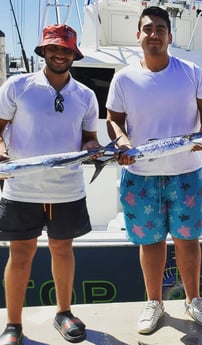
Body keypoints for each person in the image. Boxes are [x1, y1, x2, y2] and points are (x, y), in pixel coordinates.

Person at [105, 6, 202, 334]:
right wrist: (122, 141)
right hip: (140, 174)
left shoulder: (191, 71)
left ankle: (193, 299)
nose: (154, 34)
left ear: (170, 36)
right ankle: (154, 302)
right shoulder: (124, 78)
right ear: (138, 35)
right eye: (148, 29)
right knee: (151, 242)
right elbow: (114, 119)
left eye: (160, 29)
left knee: (188, 240)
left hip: (187, 171)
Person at [0, 24, 101, 344]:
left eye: (66, 50)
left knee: (62, 249)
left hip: (67, 189)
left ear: (74, 54)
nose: (60, 54)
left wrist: (93, 151)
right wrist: (2, 155)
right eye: (54, 48)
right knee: (20, 254)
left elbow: (89, 139)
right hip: (22, 188)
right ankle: (13, 325)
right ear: (43, 50)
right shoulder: (17, 86)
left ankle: (64, 312)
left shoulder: (85, 95)